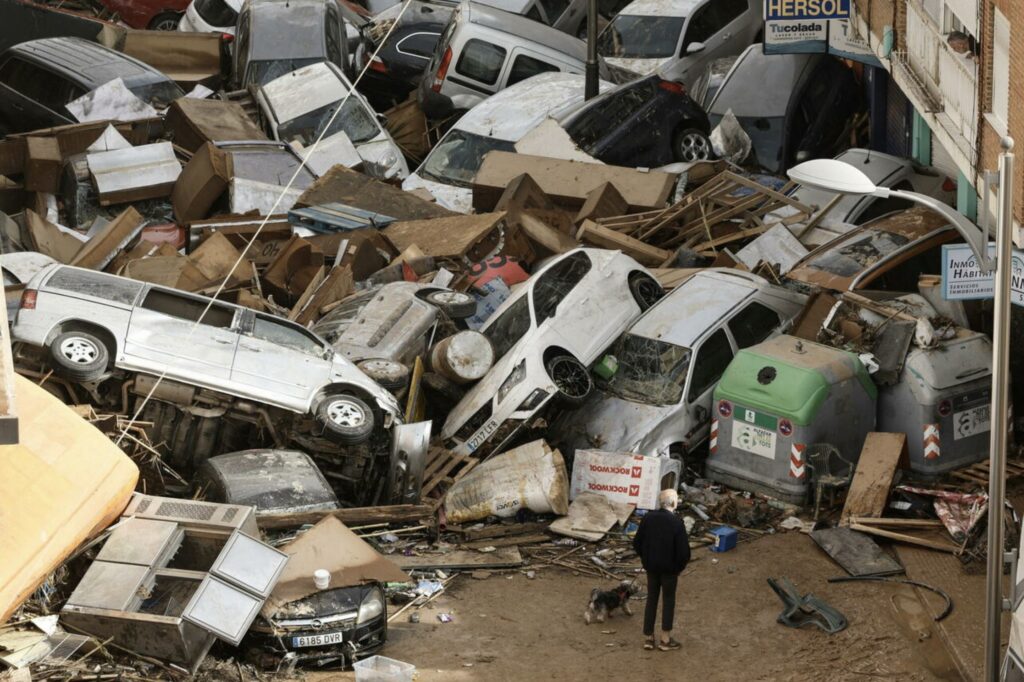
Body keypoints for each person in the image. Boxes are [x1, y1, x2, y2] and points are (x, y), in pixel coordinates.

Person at [632, 488, 690, 651]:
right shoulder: (677, 523)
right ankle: (665, 639)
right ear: (672, 503)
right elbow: (684, 552)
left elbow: (637, 543)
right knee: (668, 600)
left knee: (651, 599)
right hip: (670, 570)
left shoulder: (648, 518)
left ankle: (648, 638)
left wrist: (646, 559)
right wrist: (678, 568)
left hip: (651, 567)